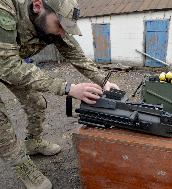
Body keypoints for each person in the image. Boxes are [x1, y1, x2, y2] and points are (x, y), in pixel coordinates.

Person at [0, 0, 119, 188]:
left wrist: (104, 81)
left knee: (36, 102)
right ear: (37, 6)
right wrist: (68, 87)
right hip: (6, 64)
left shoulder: (50, 19)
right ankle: (22, 167)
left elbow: (75, 54)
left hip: (10, 64)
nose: (62, 32)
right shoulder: (5, 8)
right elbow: (7, 66)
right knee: (1, 124)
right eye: (60, 26)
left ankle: (33, 142)